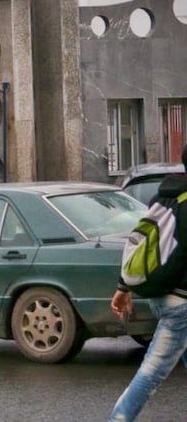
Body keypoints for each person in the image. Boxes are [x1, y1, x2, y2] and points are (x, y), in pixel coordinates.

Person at [109, 144, 187, 421]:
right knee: (151, 373)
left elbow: (140, 241)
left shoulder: (164, 196)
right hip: (181, 305)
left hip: (162, 297)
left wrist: (123, 287)